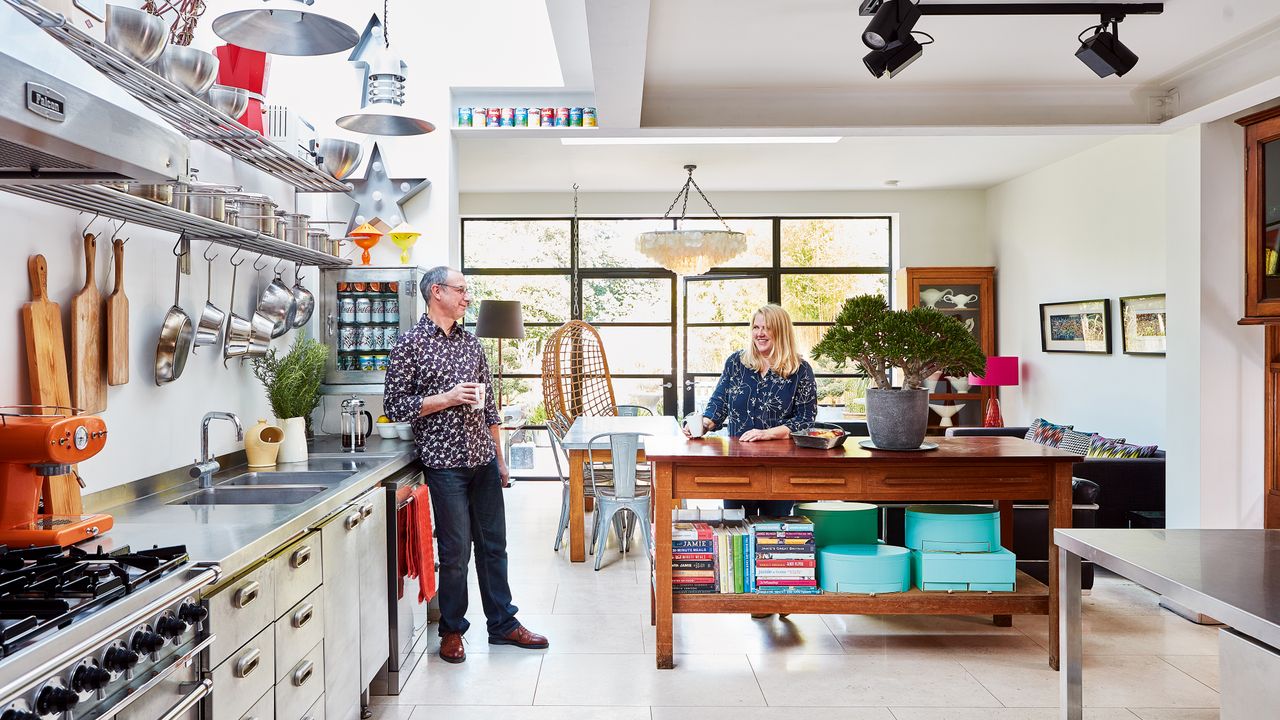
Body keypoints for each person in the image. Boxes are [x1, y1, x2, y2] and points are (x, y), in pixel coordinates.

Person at [383, 265, 547, 664]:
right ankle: (452, 630)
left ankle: (504, 624)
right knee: (456, 552)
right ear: (436, 292)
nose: (467, 297)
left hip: (483, 461)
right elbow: (395, 406)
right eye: (461, 290)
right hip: (444, 464)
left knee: (494, 547)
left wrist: (501, 459)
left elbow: (490, 406)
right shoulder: (409, 345)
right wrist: (448, 397)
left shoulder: (472, 345)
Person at [685, 303, 819, 519]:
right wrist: (703, 424)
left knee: (774, 532)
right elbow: (718, 403)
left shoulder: (800, 370)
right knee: (735, 526)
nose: (760, 333)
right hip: (737, 465)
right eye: (756, 328)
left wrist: (767, 434)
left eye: (767, 328)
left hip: (780, 466)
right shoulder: (736, 363)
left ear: (782, 331)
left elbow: (805, 420)